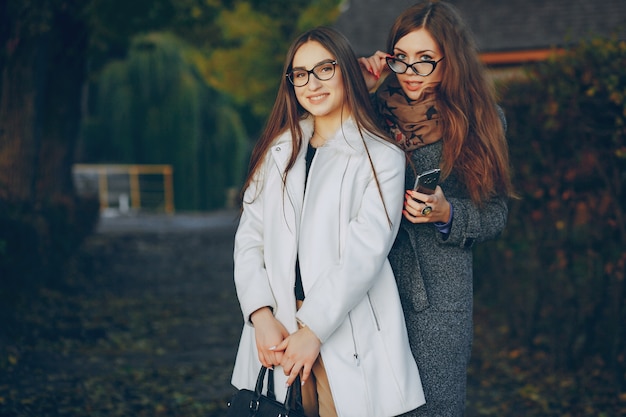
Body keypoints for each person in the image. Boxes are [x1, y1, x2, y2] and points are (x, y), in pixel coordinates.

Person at [230, 26, 424, 417]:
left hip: (342, 328)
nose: (311, 84)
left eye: (324, 69)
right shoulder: (279, 148)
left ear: (346, 72)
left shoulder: (380, 156)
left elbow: (364, 254)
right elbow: (250, 237)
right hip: (278, 330)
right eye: (300, 74)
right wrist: (260, 315)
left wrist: (313, 330)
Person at [359, 1, 516, 416]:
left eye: (425, 60)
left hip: (439, 301)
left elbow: (496, 214)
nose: (410, 73)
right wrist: (354, 90)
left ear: (452, 61)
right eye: (402, 59)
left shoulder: (480, 120)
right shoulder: (367, 114)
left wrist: (448, 214)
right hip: (366, 287)